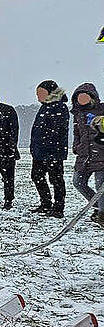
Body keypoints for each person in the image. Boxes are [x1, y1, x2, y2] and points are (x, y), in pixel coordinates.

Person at [29, 80, 69, 218]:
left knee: (56, 179)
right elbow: (38, 131)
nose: (38, 96)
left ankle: (58, 208)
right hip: (40, 152)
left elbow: (58, 131)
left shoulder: (59, 107)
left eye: (40, 93)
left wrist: (50, 148)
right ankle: (45, 203)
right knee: (36, 176)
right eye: (37, 93)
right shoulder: (44, 107)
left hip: (53, 152)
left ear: (50, 93)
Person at [71, 83, 104, 225]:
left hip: (101, 154)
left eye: (85, 96)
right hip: (84, 155)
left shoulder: (102, 109)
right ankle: (98, 206)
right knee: (78, 182)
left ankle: (102, 215)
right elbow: (77, 133)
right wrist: (76, 146)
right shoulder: (77, 114)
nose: (82, 99)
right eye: (79, 97)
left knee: (100, 186)